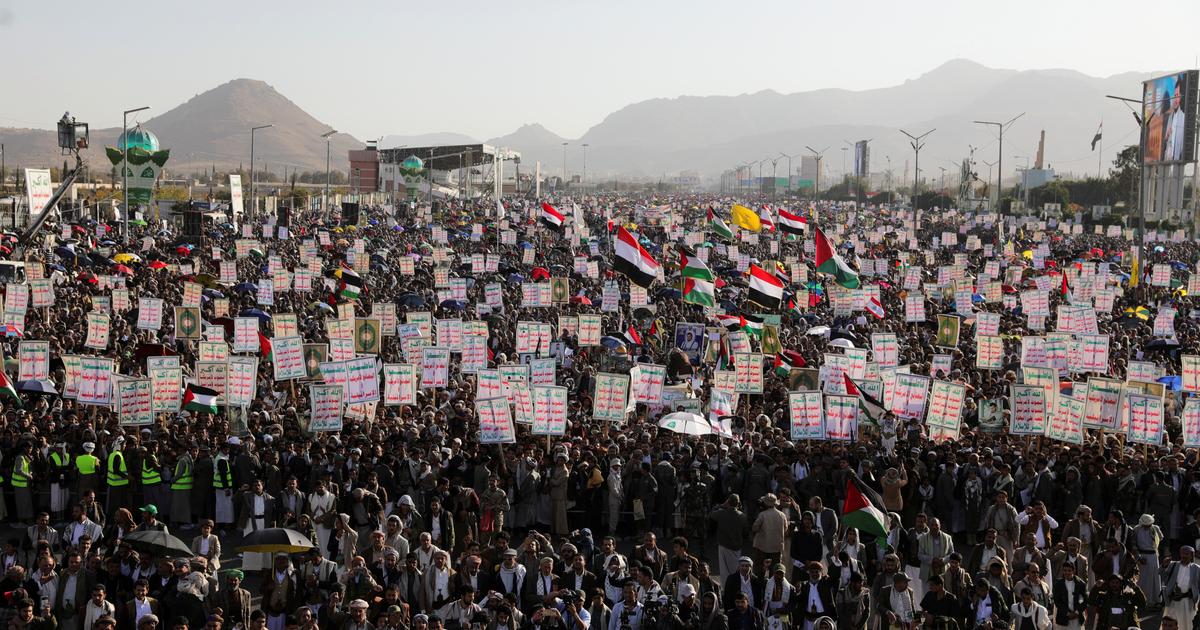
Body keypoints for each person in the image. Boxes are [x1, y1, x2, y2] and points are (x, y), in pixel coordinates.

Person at [1161, 544, 1200, 630]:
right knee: (1170, 624)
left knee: (1187, 625)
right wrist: (1164, 566)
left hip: (1188, 602)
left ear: (1191, 555)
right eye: (1183, 553)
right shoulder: (1173, 565)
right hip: (1173, 601)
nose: (1184, 556)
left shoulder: (1196, 568)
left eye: (1187, 554)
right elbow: (1162, 575)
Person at [1050, 561, 1087, 630]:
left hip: (1077, 618)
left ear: (1074, 571)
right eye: (1065, 570)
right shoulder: (1058, 584)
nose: (1067, 573)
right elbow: (1057, 601)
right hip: (1063, 618)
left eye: (1069, 570)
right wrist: (1067, 613)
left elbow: (1085, 600)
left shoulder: (1081, 584)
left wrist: (1076, 612)